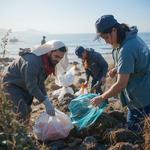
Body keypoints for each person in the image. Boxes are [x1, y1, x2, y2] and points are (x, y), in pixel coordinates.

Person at [91, 15, 150, 132]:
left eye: (106, 37)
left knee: (134, 132)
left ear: (114, 30)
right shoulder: (132, 38)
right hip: (145, 89)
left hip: (141, 98)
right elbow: (135, 61)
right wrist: (117, 68)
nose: (107, 42)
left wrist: (101, 98)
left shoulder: (126, 49)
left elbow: (121, 84)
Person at [2, 40, 68, 120]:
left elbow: (40, 83)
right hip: (11, 84)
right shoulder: (33, 62)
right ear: (49, 52)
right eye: (56, 56)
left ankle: (23, 130)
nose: (58, 60)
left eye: (60, 58)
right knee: (21, 111)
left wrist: (46, 98)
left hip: (24, 84)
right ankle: (14, 131)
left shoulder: (47, 63)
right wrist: (45, 102)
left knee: (28, 110)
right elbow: (32, 86)